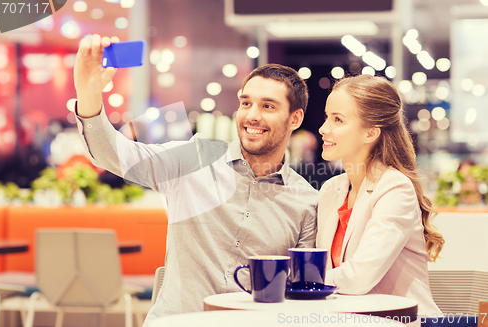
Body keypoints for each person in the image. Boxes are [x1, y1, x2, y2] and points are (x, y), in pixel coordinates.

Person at [73, 35, 317, 320]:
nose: (252, 115)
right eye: (246, 103)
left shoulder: (305, 201)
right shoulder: (194, 159)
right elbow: (114, 155)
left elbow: (303, 293)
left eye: (268, 106)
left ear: (295, 119)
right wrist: (88, 93)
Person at [316, 74, 444, 315]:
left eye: (338, 119)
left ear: (370, 133)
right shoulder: (330, 191)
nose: (324, 128)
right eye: (326, 117)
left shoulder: (395, 188)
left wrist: (303, 278)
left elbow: (358, 279)